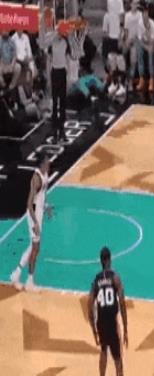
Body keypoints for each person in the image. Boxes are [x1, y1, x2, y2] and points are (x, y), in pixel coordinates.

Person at [11, 151, 52, 291]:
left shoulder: (45, 174)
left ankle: (16, 274)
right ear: (42, 164)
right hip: (33, 214)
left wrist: (46, 206)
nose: (49, 162)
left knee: (33, 247)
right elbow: (29, 204)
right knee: (35, 248)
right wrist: (35, 223)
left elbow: (43, 195)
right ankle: (29, 281)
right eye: (47, 161)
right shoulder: (36, 179)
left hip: (39, 213)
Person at [88, 247, 128, 376]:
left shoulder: (96, 280)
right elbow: (122, 303)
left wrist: (94, 330)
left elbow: (89, 306)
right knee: (118, 359)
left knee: (103, 350)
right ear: (109, 260)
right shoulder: (115, 277)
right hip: (112, 323)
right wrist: (125, 328)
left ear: (101, 261)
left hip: (101, 322)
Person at [48, 25, 70, 142]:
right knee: (55, 102)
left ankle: (62, 129)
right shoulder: (51, 43)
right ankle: (54, 130)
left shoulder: (66, 43)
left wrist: (68, 74)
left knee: (63, 102)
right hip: (55, 72)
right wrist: (48, 76)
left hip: (62, 72)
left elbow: (67, 59)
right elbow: (49, 59)